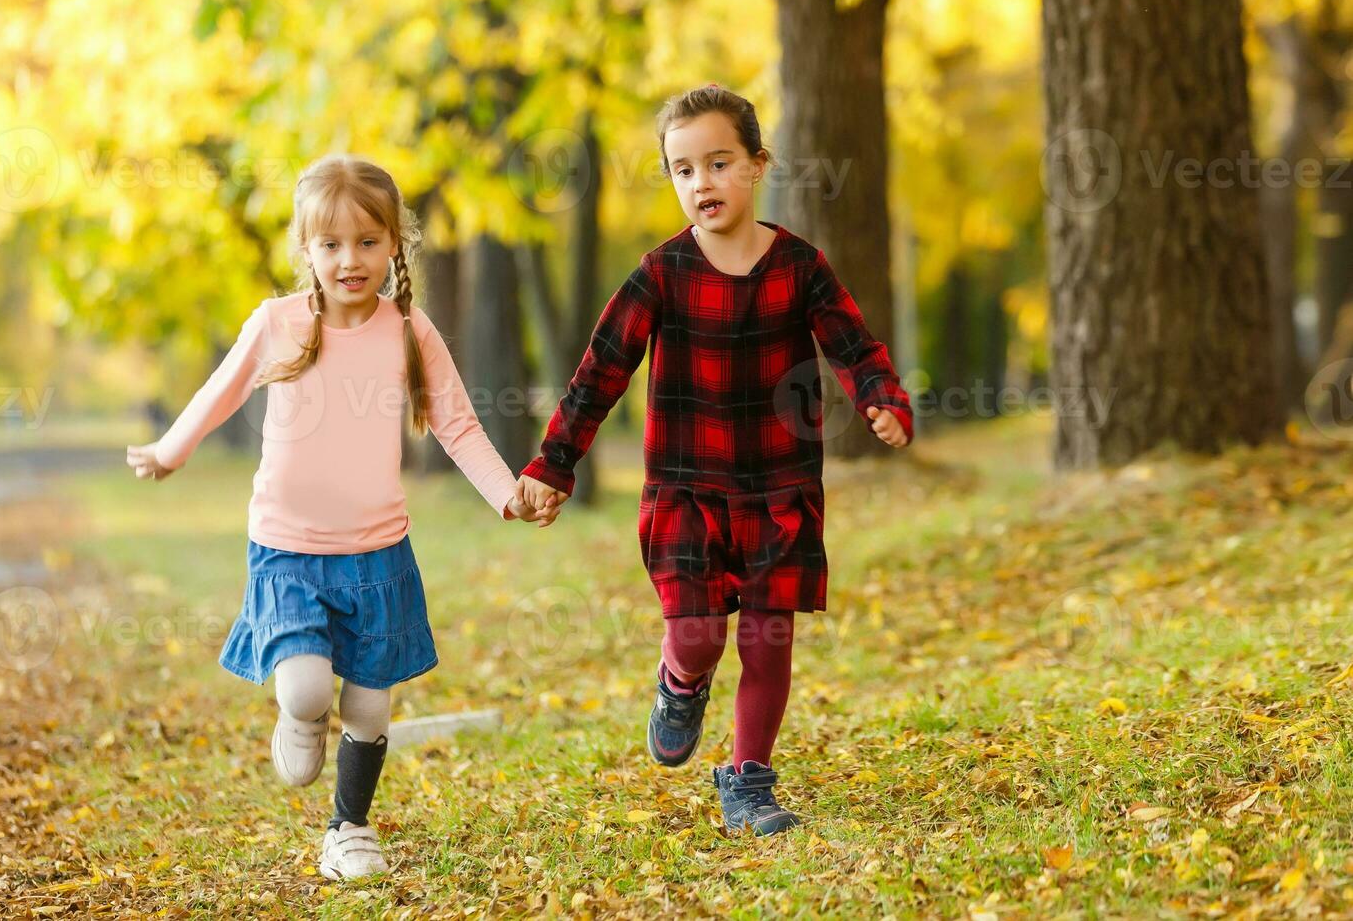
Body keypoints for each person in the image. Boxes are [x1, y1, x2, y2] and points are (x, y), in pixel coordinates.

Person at [126, 154, 557, 879]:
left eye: (366, 241)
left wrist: (506, 492)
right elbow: (219, 393)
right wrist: (171, 450)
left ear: (395, 243)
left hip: (377, 554)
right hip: (287, 549)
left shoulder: (409, 332)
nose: (348, 260)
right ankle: (296, 717)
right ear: (305, 249)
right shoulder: (278, 323)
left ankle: (349, 829)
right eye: (329, 245)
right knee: (306, 690)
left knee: (368, 710)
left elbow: (457, 426)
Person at [515, 86, 911, 836]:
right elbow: (600, 372)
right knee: (700, 636)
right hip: (687, 488)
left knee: (768, 638)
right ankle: (679, 679)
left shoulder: (801, 266)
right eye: (683, 169)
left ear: (757, 165)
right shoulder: (660, 273)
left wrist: (881, 397)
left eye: (719, 162)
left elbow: (854, 345)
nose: (702, 183)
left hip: (779, 487)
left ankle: (750, 780)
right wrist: (552, 464)